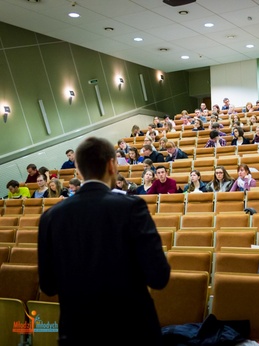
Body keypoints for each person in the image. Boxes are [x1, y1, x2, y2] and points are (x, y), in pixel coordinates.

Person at [38, 137, 170, 346]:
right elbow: (159, 277)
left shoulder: (50, 217)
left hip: (78, 333)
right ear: (112, 165)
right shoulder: (131, 207)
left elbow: (48, 286)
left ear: (78, 171)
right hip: (131, 331)